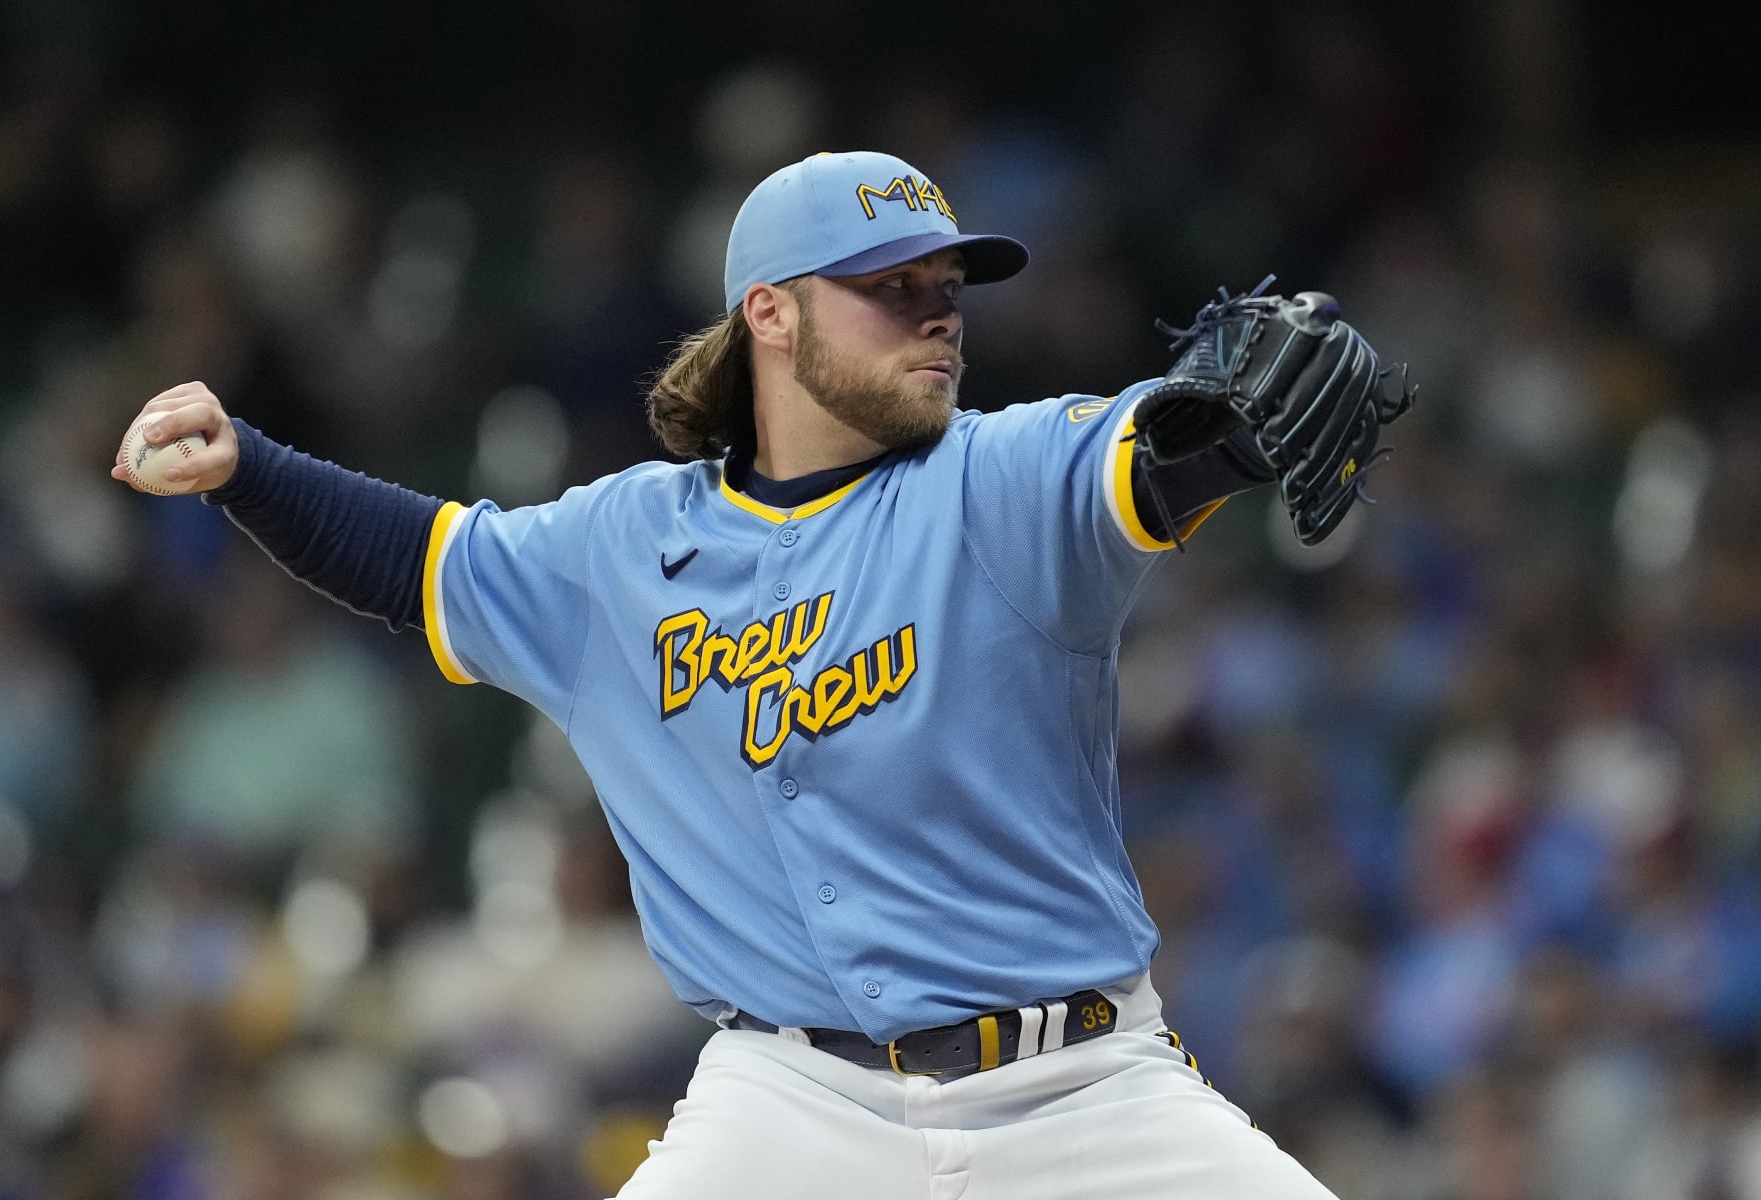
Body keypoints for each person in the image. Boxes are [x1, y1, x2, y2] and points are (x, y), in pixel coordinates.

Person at [114, 150, 1379, 1198]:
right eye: (890, 286)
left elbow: (1147, 452)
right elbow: (419, 561)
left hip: (1083, 1093)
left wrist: (1227, 424)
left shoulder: (997, 480)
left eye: (949, 285)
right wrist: (247, 465)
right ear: (768, 312)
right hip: (791, 1104)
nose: (937, 311)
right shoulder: (618, 548)